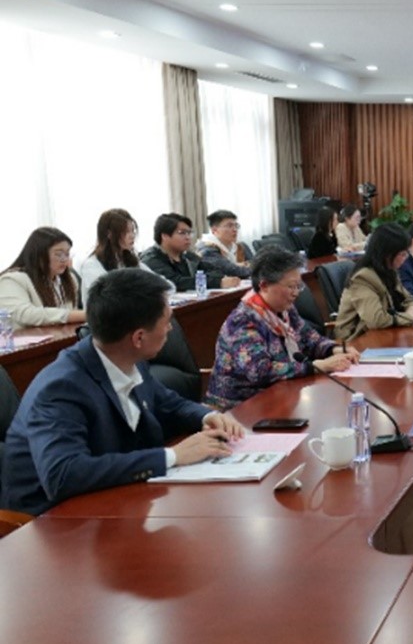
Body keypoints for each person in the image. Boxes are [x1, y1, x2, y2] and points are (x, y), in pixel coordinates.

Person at [1, 268, 245, 516]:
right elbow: (63, 474)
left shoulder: (127, 357)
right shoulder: (61, 388)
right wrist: (172, 456)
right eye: (167, 322)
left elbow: (167, 403)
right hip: (50, 520)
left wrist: (206, 416)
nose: (170, 329)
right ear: (138, 337)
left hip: (113, 498)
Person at [205, 247, 358, 409]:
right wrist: (318, 366)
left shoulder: (284, 310)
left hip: (279, 394)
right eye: (291, 286)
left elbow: (310, 338)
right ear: (264, 285)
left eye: (299, 286)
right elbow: (260, 371)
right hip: (240, 407)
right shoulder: (242, 321)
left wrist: (333, 349)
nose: (296, 293)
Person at [333, 223, 413, 339]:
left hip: (382, 334)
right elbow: (376, 320)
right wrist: (409, 316)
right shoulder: (363, 278)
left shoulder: (390, 272)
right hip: (356, 340)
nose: (405, 259)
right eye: (402, 254)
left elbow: (410, 299)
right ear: (387, 254)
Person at [0, 227, 87, 329]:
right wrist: (81, 315)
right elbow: (26, 315)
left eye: (67, 254)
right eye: (58, 254)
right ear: (39, 255)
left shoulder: (70, 279)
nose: (64, 259)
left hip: (63, 336)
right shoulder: (12, 280)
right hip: (26, 338)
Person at [140, 213, 241, 292]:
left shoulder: (187, 255)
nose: (188, 237)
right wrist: (218, 283)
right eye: (182, 233)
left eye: (189, 233)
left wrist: (221, 279)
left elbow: (213, 270)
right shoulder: (151, 258)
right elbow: (174, 282)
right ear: (165, 236)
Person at [79, 208, 141, 301]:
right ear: (109, 234)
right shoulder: (92, 264)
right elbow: (110, 295)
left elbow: (157, 281)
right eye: (126, 232)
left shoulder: (128, 259)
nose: (132, 236)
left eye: (133, 231)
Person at [196, 209, 254, 278]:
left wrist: (239, 266)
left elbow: (256, 265)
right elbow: (232, 271)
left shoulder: (241, 246)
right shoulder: (207, 249)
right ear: (214, 230)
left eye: (236, 226)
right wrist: (239, 265)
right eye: (230, 226)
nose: (235, 229)